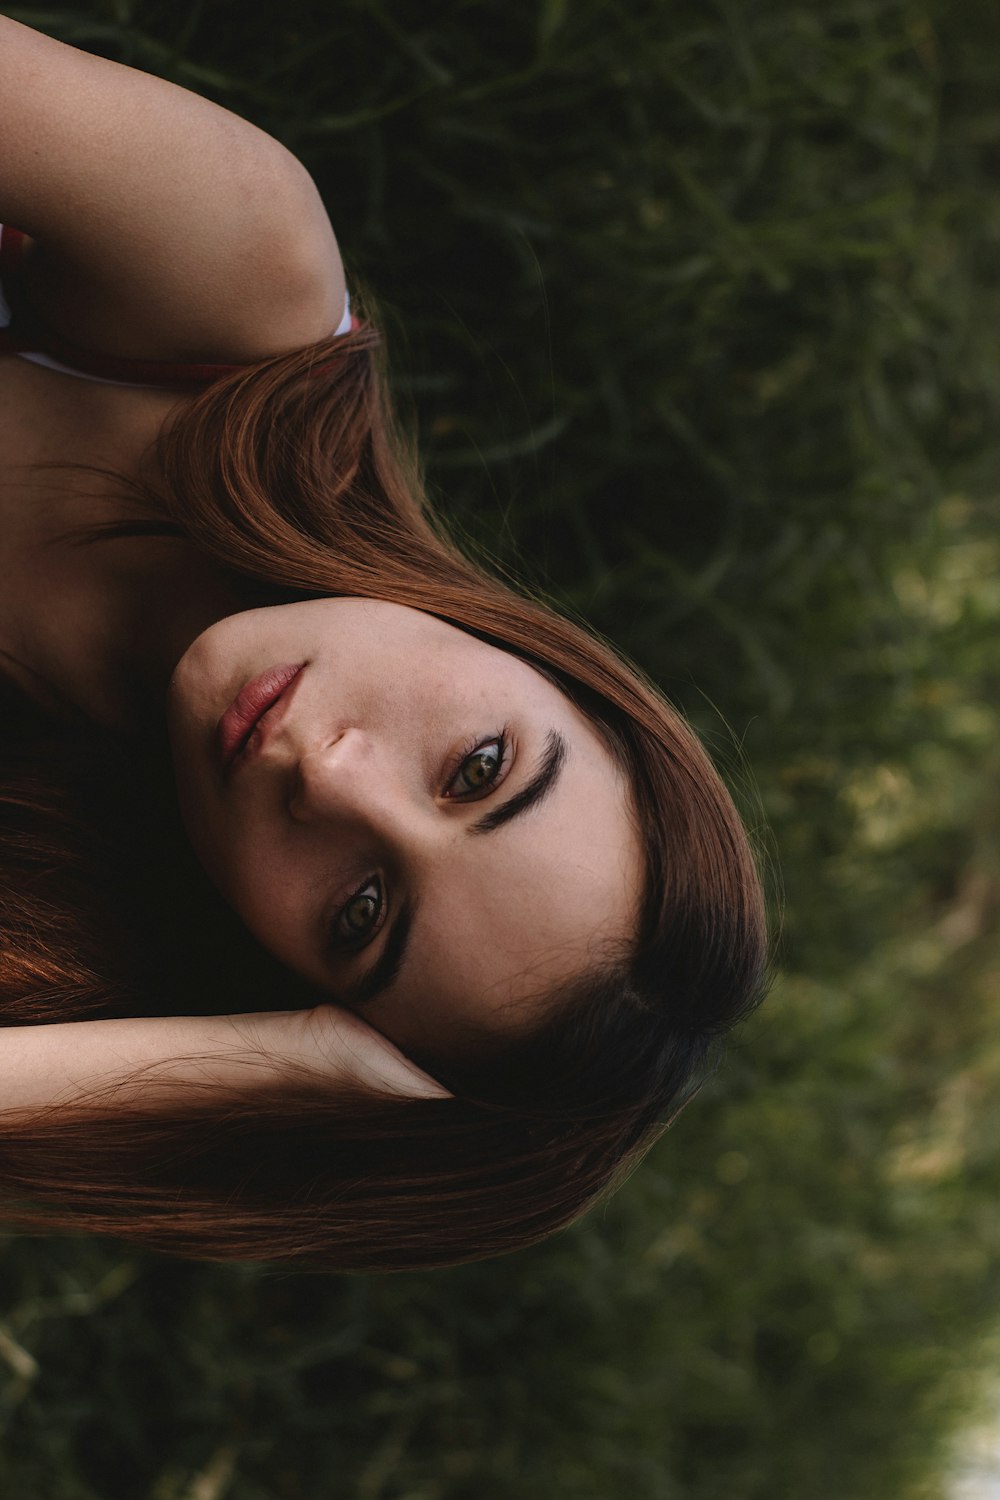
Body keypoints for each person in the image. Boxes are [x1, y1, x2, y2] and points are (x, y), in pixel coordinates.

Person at [0, 15, 769, 1271]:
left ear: (273, 967)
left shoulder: (38, 884)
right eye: (478, 768)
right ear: (551, 668)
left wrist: (254, 1069)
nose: (332, 775)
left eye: (360, 911)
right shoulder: (238, 315)